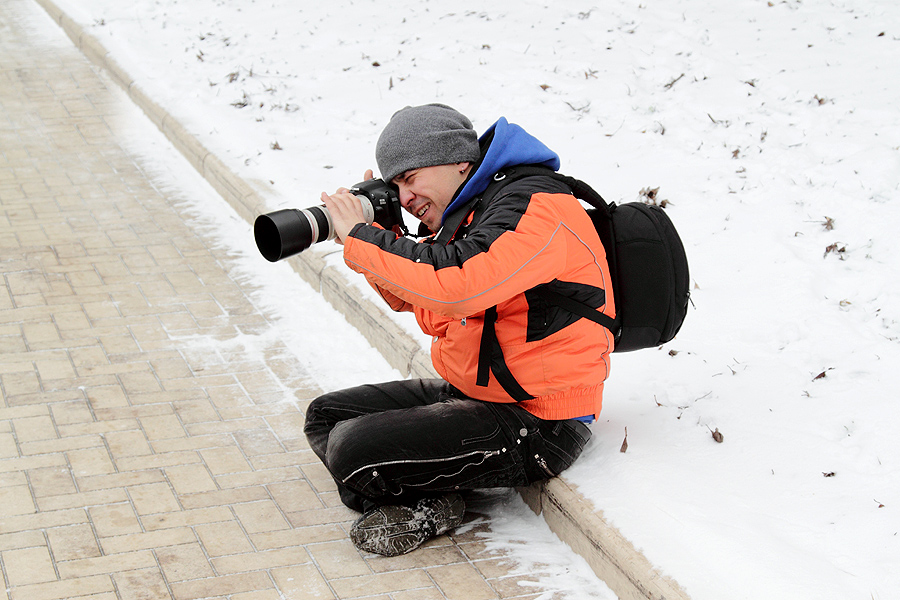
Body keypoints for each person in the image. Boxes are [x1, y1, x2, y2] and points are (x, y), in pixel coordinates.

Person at [304, 103, 614, 557]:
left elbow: (455, 286)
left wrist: (364, 240)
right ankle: (435, 489)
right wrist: (381, 232)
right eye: (395, 186)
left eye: (410, 179)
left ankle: (431, 507)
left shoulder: (535, 206)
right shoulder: (474, 210)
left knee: (354, 453)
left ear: (458, 161)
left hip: (542, 420)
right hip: (479, 396)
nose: (406, 197)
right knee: (326, 416)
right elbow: (422, 298)